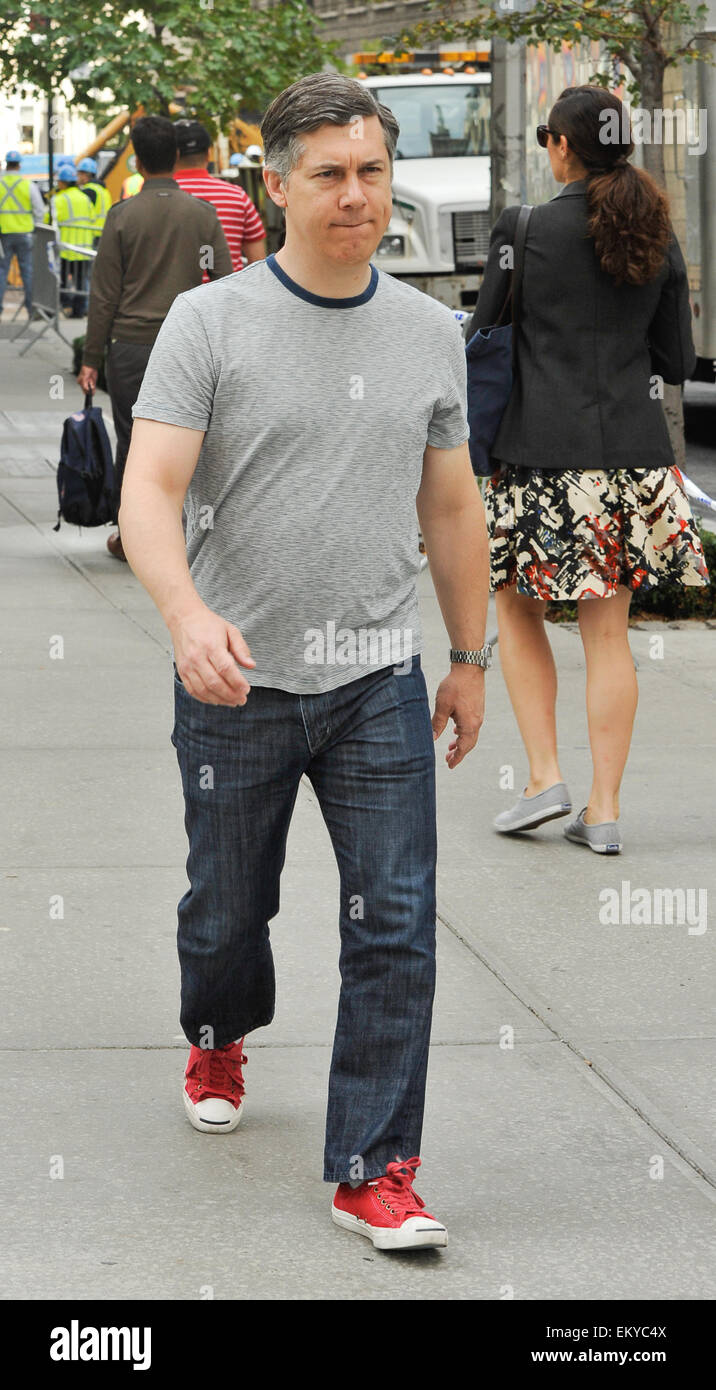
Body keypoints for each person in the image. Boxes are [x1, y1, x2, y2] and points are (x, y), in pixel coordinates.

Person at [119, 72, 489, 1251]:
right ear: (275, 186)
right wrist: (184, 613)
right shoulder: (210, 324)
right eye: (329, 174)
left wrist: (467, 654)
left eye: (371, 171)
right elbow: (149, 489)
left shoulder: (428, 332)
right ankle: (218, 1030)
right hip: (235, 683)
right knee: (227, 911)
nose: (355, 195)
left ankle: (373, 1169)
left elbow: (450, 507)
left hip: (376, 678)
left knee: (397, 923)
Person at [468, 84, 709, 854]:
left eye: (548, 136)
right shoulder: (655, 229)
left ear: (562, 145)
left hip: (541, 457)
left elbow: (483, 333)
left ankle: (544, 779)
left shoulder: (524, 228)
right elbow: (676, 360)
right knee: (609, 635)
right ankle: (603, 811)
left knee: (518, 610)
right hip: (635, 461)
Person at [76, 116, 232, 561]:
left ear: (138, 162)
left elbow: (104, 295)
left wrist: (91, 357)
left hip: (130, 346)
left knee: (132, 441)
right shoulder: (202, 214)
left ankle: (132, 538)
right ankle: (185, 533)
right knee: (192, 442)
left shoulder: (121, 216)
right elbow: (224, 283)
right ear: (178, 157)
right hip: (188, 349)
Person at [172, 119, 266, 272]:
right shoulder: (238, 197)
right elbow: (258, 264)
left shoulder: (156, 200)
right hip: (229, 287)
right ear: (208, 154)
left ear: (172, 155)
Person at [44, 162, 95, 317]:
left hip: (66, 248)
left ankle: (66, 305)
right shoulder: (85, 198)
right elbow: (92, 219)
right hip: (84, 248)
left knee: (63, 280)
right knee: (81, 281)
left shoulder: (59, 199)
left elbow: (48, 220)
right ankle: (79, 311)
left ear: (63, 182)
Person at [0, 149, 44, 317]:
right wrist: (36, 227)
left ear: (7, 165)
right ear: (19, 165)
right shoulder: (28, 185)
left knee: (2, 271)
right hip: (25, 234)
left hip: (4, 234)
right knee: (27, 271)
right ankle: (32, 308)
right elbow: (39, 210)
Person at [76, 157, 112, 243]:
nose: (77, 177)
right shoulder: (103, 190)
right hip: (104, 232)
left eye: (79, 174)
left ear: (85, 175)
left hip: (93, 233)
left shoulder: (88, 191)